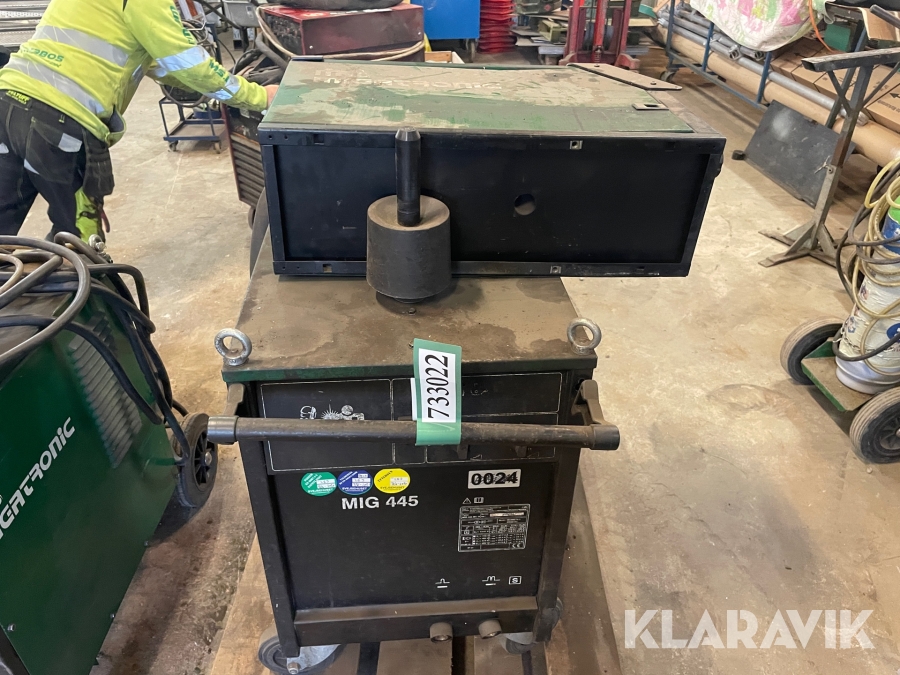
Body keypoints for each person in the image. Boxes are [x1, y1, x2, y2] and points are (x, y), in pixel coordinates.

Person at [0, 0, 277, 240]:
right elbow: (189, 64)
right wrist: (257, 96)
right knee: (79, 242)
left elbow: (154, 62)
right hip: (59, 124)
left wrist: (207, 86)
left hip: (6, 103)